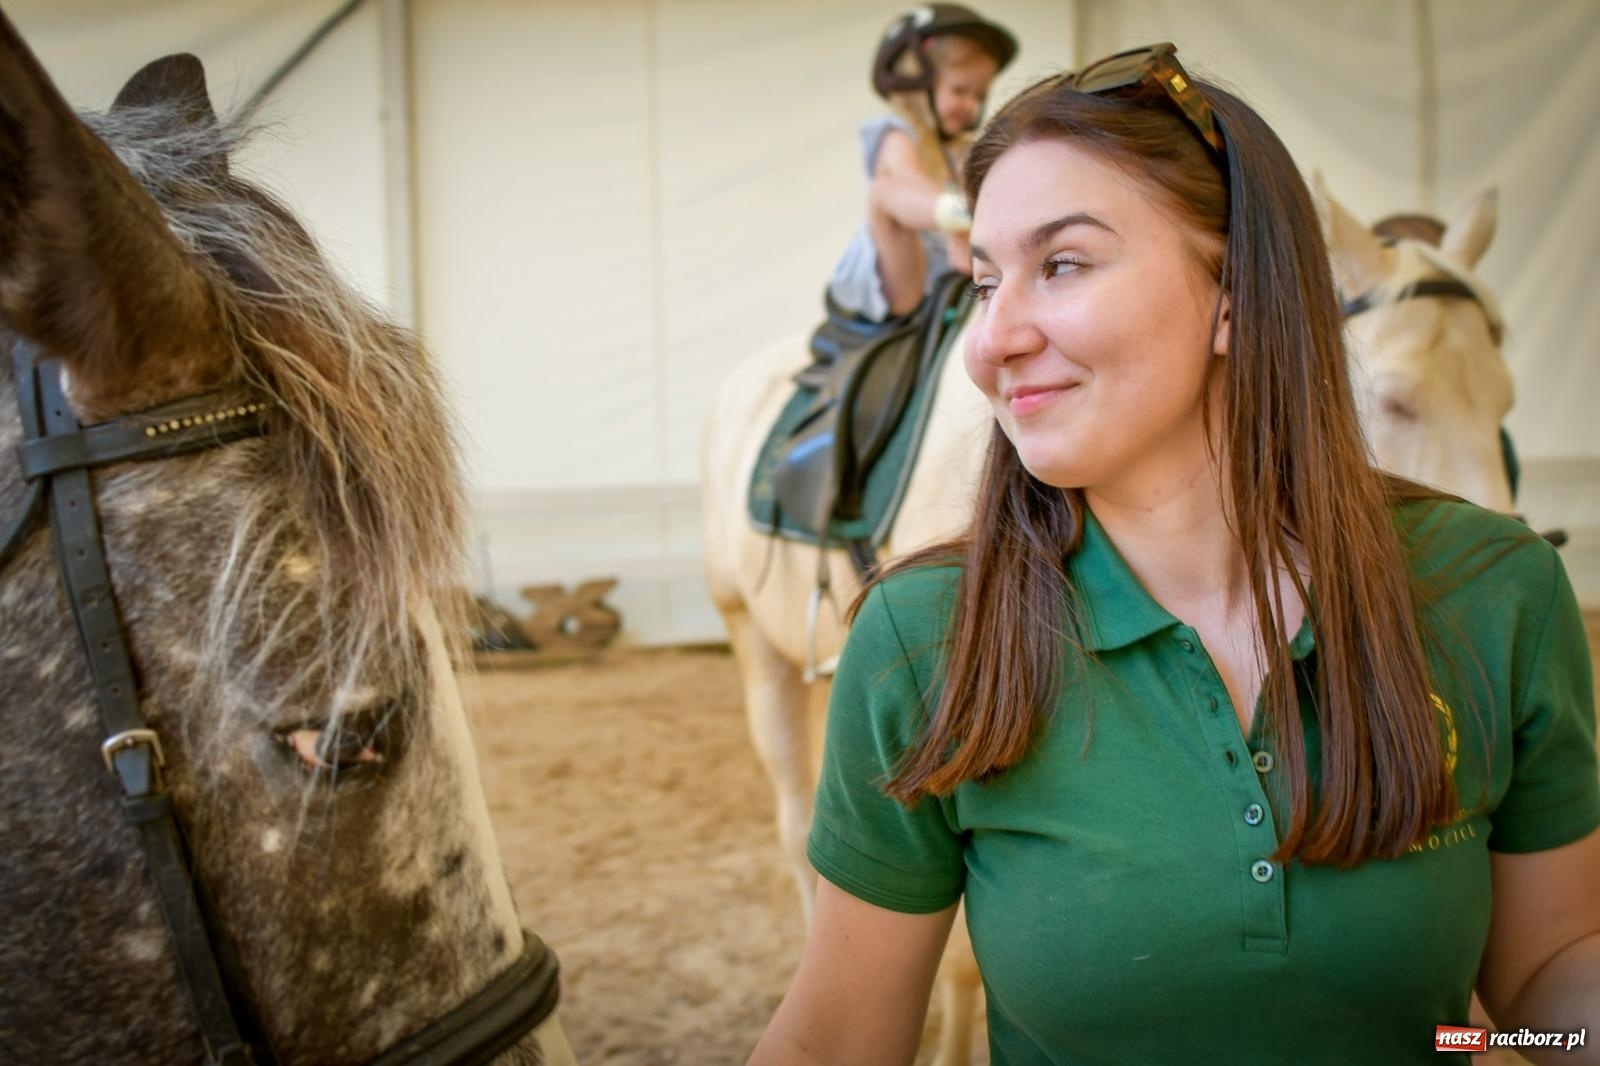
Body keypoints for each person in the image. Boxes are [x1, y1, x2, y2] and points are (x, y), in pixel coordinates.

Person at [750, 42, 1600, 1066]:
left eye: (1060, 264)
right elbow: (839, 1037)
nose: (991, 340)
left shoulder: (1494, 591)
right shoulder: (920, 637)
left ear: (1235, 294)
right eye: (983, 283)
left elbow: (1545, 973)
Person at [826, 4, 1017, 325]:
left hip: (947, 271)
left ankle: (969, 216)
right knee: (884, 192)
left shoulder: (961, 149)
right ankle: (964, 213)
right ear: (918, 83)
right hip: (901, 277)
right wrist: (961, 217)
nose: (970, 106)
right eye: (960, 90)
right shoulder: (897, 133)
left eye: (979, 95)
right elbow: (906, 178)